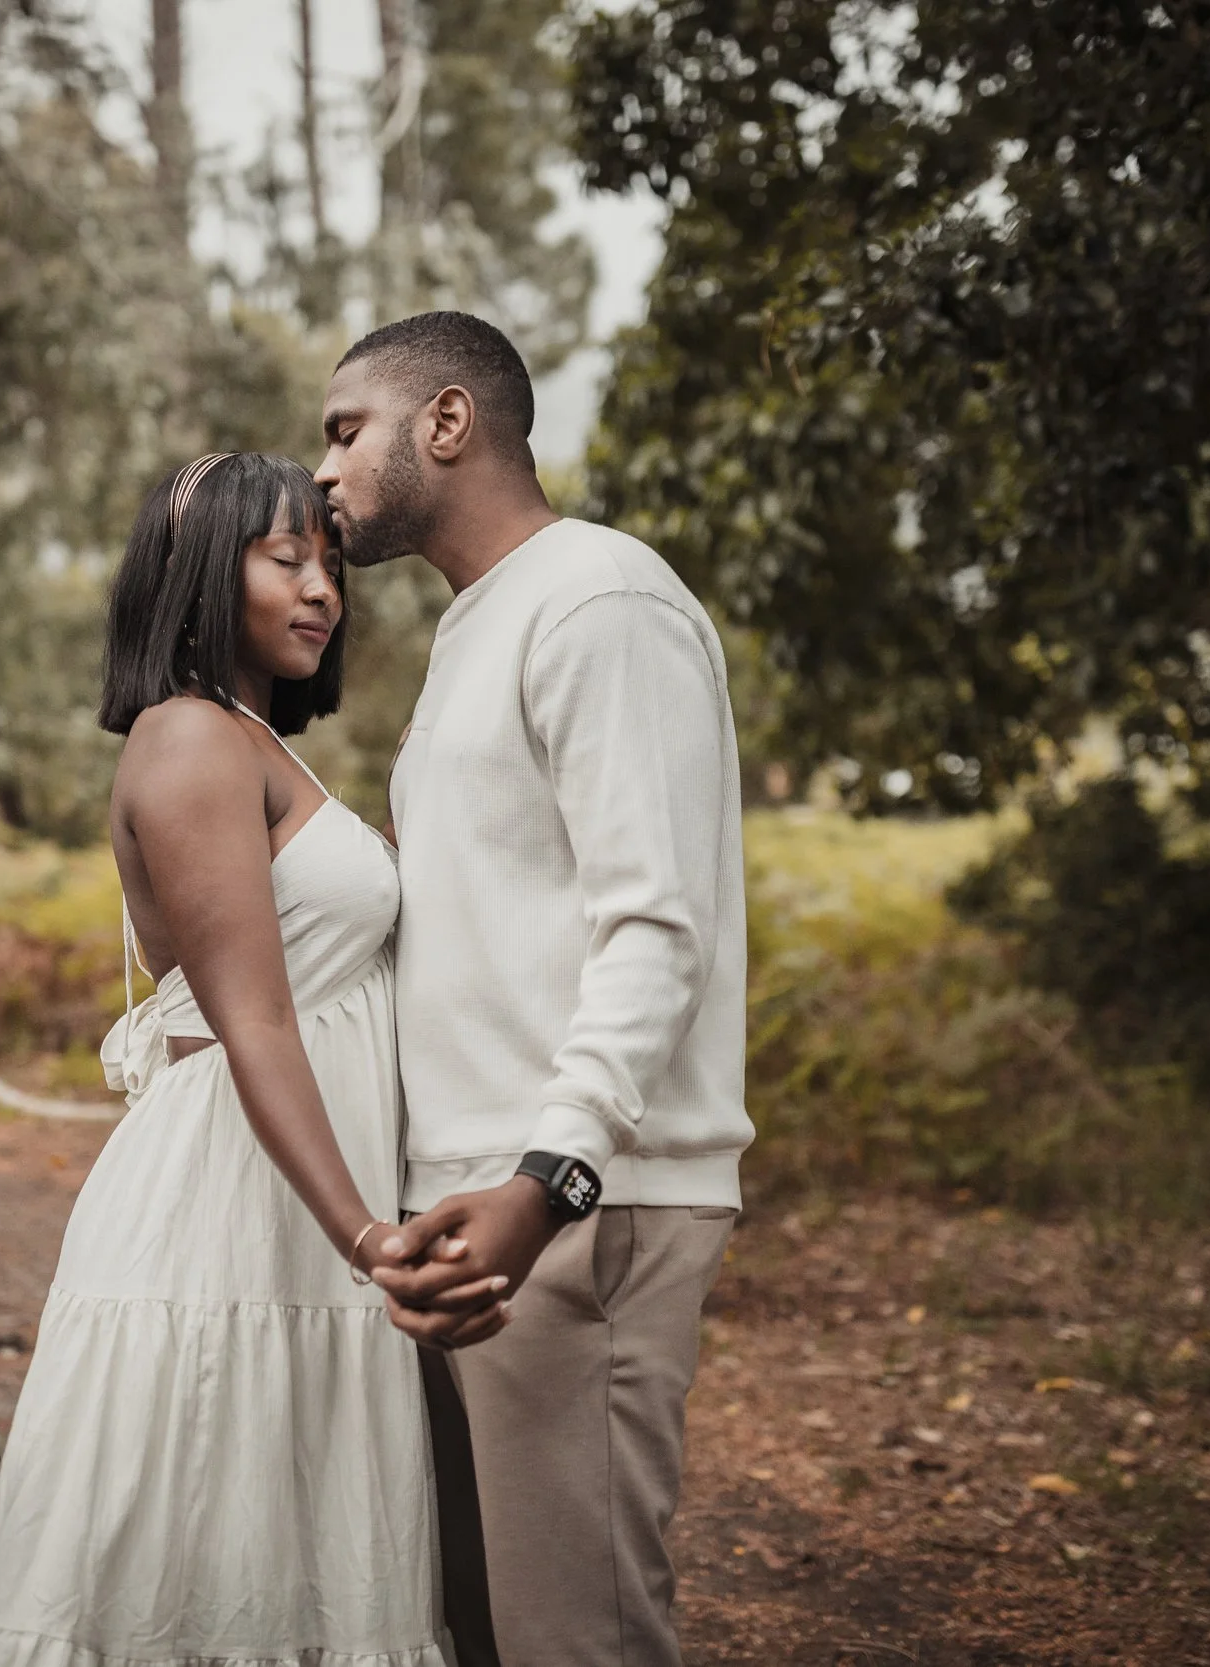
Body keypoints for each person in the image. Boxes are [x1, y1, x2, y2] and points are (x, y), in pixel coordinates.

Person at [0, 452, 451, 1667]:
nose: (322, 587)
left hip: (297, 1195)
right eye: (286, 559)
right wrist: (363, 1234)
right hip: (236, 1200)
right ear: (199, 574)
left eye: (328, 562)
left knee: (275, 1542)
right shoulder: (187, 739)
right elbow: (253, 1021)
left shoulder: (253, 740)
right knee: (185, 1542)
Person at [316, 312, 754, 1667]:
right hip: (470, 1207)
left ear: (446, 421)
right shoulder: (480, 626)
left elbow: (656, 926)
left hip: (575, 1206)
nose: (323, 470)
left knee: (579, 1635)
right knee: (487, 1630)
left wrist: (549, 1178)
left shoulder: (601, 599)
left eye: (345, 431)